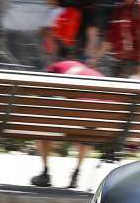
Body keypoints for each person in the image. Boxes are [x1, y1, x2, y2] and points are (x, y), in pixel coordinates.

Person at [30, 58, 102, 188]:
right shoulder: (96, 74)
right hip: (94, 124)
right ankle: (76, 173)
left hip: (70, 121)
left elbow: (43, 94)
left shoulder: (55, 68)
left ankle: (45, 173)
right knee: (89, 130)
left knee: (43, 125)